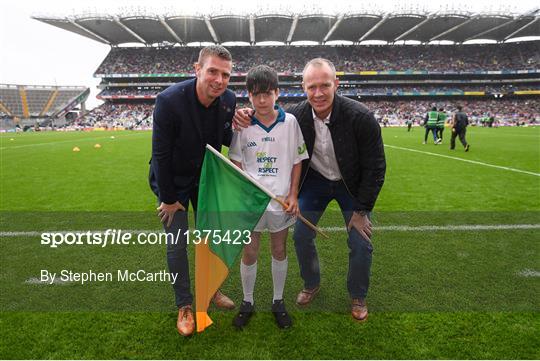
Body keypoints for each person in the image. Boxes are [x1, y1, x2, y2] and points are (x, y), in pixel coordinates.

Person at [234, 58, 386, 322]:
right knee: (302, 234)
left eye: (325, 85)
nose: (318, 93)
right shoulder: (298, 115)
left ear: (336, 84)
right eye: (312, 86)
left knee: (360, 239)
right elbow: (269, 112)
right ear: (303, 87)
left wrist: (362, 210)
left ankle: (358, 295)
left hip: (350, 184)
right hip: (316, 183)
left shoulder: (360, 116)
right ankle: (311, 282)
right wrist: (244, 113)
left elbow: (376, 167)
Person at [148, 45, 236, 337]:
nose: (219, 80)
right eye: (213, 71)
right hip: (171, 181)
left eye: (225, 74)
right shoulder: (168, 101)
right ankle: (184, 305)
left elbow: (225, 137)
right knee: (177, 244)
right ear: (197, 69)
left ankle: (211, 291)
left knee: (209, 238)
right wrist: (169, 200)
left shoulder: (229, 100)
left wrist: (241, 122)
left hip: (204, 180)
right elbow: (160, 155)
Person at [229, 65, 308, 329]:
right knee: (249, 252)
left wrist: (294, 195)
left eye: (267, 94)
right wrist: (246, 192)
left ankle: (277, 301)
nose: (261, 100)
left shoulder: (290, 122)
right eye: (255, 94)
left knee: (279, 249)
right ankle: (248, 301)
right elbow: (236, 162)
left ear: (277, 92)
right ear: (249, 95)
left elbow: (298, 160)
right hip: (252, 203)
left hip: (281, 203)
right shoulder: (243, 125)